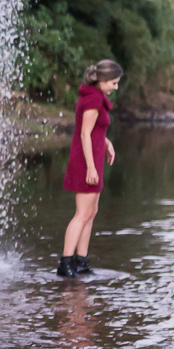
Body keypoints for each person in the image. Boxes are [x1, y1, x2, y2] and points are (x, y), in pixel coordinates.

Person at [57, 59, 123, 278]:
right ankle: (66, 264)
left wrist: (107, 143)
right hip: (86, 163)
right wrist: (91, 168)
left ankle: (82, 262)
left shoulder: (95, 97)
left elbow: (95, 130)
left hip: (93, 160)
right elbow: (84, 133)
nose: (116, 87)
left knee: (91, 212)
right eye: (113, 83)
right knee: (82, 214)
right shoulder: (93, 99)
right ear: (102, 81)